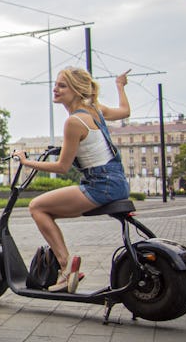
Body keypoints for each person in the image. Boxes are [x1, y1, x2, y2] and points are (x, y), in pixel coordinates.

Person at [12, 67, 131, 294]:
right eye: (56, 84)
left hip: (100, 185)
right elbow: (125, 111)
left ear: (76, 90)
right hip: (117, 182)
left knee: (37, 207)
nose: (55, 89)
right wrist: (120, 85)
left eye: (62, 86)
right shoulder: (95, 110)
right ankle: (65, 268)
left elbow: (62, 167)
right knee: (49, 209)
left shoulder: (74, 122)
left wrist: (27, 162)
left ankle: (66, 269)